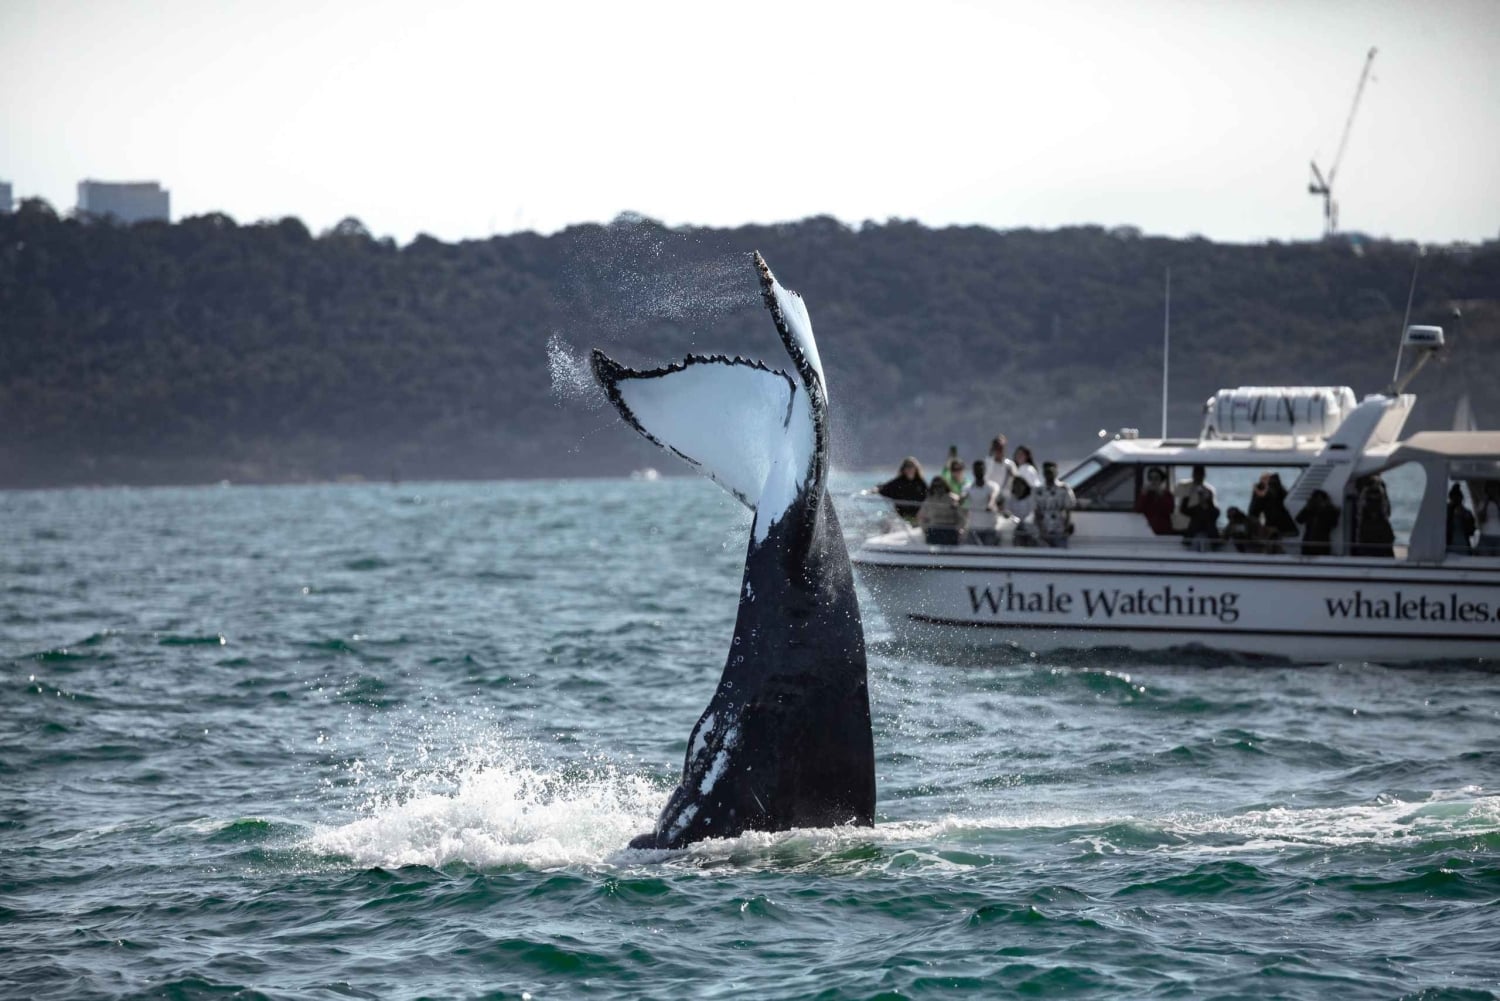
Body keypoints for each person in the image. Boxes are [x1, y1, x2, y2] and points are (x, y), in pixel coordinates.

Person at [1033, 460, 1076, 548]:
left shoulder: (1063, 489)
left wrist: (1066, 527)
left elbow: (1068, 509)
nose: (1049, 474)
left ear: (1056, 472)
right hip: (1044, 529)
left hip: (1059, 529)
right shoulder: (1038, 490)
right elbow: (1036, 511)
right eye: (1047, 472)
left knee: (1061, 556)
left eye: (1051, 471)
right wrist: (1040, 529)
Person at [1179, 464, 1220, 550]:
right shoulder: (1186, 488)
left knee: (1205, 514)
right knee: (1198, 513)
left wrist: (1207, 502)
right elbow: (1183, 510)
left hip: (1208, 530)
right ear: (1193, 475)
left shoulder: (1209, 490)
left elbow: (1215, 513)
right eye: (1196, 474)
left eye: (1200, 475)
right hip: (1191, 528)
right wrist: (1189, 494)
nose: (1198, 477)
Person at [1352, 474, 1395, 558]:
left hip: (1374, 530)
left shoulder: (1368, 492)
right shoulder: (1374, 491)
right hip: (1373, 530)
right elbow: (1387, 511)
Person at [875, 457, 927, 524]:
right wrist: (875, 490)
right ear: (903, 469)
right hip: (902, 517)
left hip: (918, 517)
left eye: (912, 467)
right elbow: (884, 488)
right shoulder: (898, 482)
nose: (910, 469)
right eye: (907, 467)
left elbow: (928, 497)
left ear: (916, 468)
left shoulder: (921, 483)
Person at [963, 459, 1003, 545]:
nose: (979, 471)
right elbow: (963, 496)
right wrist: (956, 502)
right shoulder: (968, 487)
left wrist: (990, 505)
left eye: (981, 469)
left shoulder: (993, 486)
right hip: (973, 528)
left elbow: (993, 496)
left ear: (985, 470)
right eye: (977, 469)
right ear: (973, 472)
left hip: (990, 528)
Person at [917, 476, 966, 545]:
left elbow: (962, 517)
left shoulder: (953, 499)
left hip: (950, 531)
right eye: (936, 486)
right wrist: (925, 529)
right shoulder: (929, 500)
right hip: (934, 530)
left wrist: (958, 529)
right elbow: (921, 516)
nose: (938, 488)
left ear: (945, 486)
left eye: (940, 485)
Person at [1249, 472, 1298, 538]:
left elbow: (1253, 511)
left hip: (1273, 526)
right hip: (1285, 528)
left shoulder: (1267, 493)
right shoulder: (1281, 491)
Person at [1296, 488, 1339, 556]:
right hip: (1308, 544)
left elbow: (1333, 524)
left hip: (1321, 544)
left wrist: (1326, 508)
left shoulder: (1330, 510)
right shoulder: (1310, 510)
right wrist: (1307, 508)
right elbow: (1299, 520)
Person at [1135, 466, 1175, 535]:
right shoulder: (1146, 495)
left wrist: (1161, 495)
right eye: (1151, 479)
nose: (1153, 481)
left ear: (1161, 480)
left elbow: (1170, 510)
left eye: (1156, 478)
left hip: (1163, 530)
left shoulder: (1167, 494)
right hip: (1148, 530)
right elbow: (1138, 510)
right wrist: (1143, 495)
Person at [1447, 483, 1476, 555]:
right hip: (1449, 544)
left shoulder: (1466, 513)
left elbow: (1471, 531)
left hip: (1463, 544)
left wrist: (1464, 517)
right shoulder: (1446, 512)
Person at [1008, 477, 1039, 546]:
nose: (1018, 488)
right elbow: (1009, 513)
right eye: (1016, 486)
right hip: (1016, 530)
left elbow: (1033, 513)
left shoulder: (1031, 498)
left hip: (1031, 531)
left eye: (1020, 486)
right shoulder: (1011, 499)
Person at [1476, 481, 1500, 556]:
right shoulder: (1482, 503)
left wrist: (1497, 502)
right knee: (1484, 560)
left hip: (1498, 535)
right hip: (1485, 535)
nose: (1492, 490)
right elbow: (1481, 519)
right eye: (1490, 488)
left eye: (1494, 488)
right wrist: (1486, 503)